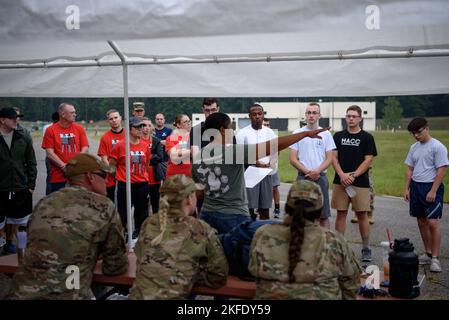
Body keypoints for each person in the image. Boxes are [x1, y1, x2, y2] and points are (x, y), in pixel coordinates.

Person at [7, 153, 128, 299]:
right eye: (103, 175)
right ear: (90, 177)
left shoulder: (45, 203)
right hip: (66, 294)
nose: (107, 181)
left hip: (21, 292)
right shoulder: (103, 206)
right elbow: (115, 266)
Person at [191, 112, 328, 234]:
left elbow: (199, 192)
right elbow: (273, 146)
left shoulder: (198, 157)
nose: (232, 132)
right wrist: (304, 134)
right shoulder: (232, 152)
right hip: (233, 215)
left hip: (207, 214)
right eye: (230, 128)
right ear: (222, 130)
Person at [248, 180, 361, 300]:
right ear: (319, 212)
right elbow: (350, 285)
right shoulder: (334, 240)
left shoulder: (264, 233)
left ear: (286, 207)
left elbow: (253, 271)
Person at [129, 174, 228, 300]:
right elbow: (218, 276)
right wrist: (189, 273)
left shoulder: (149, 223)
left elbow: (141, 259)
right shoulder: (200, 228)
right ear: (189, 199)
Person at [331, 105, 377, 262]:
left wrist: (354, 175)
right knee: (341, 214)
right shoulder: (338, 136)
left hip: (360, 182)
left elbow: (369, 159)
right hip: (340, 182)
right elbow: (334, 158)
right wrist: (342, 175)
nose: (350, 119)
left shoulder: (367, 137)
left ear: (360, 118)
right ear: (345, 118)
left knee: (362, 214)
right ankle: (339, 247)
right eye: (348, 116)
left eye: (354, 116)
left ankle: (366, 248)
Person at [404, 117, 449, 273]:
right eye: (413, 133)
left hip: (431, 186)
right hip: (416, 187)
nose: (416, 135)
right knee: (421, 221)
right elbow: (410, 168)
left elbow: (442, 170)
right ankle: (428, 253)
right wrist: (407, 188)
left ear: (427, 128)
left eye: (419, 132)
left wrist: (433, 190)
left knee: (432, 223)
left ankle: (435, 259)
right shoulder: (413, 147)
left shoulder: (438, 147)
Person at [289, 102, 336, 229]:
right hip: (303, 178)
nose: (311, 115)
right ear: (305, 115)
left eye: (314, 113)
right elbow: (293, 158)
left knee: (323, 215)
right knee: (301, 215)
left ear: (319, 115)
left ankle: (325, 246)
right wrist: (307, 172)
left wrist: (317, 171)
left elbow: (330, 158)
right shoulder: (297, 133)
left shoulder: (326, 134)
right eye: (308, 112)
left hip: (320, 177)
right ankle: (303, 245)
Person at [0, 107, 37, 255]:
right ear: (2, 120)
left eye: (17, 117)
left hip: (21, 188)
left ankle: (22, 251)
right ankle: (3, 246)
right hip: (1, 189)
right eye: (12, 118)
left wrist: (31, 186)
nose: (16, 120)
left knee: (22, 223)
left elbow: (31, 162)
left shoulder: (23, 135)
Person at [109, 117, 151, 239]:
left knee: (142, 213)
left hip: (142, 184)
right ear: (129, 129)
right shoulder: (120, 146)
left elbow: (146, 165)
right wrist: (120, 177)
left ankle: (139, 235)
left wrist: (140, 175)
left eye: (141, 127)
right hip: (125, 184)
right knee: (123, 213)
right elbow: (112, 166)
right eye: (137, 127)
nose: (140, 129)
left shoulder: (145, 146)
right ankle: (124, 234)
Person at [236, 104, 277, 220]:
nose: (257, 117)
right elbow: (239, 154)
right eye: (254, 114)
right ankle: (248, 234)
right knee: (249, 208)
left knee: (265, 208)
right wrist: (254, 162)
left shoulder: (270, 133)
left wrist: (270, 163)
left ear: (263, 115)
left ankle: (264, 234)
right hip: (249, 174)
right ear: (249, 116)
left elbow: (275, 151)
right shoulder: (242, 133)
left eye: (260, 114)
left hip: (265, 174)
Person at [42, 102, 89, 194]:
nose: (75, 115)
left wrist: (76, 163)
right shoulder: (50, 130)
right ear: (63, 114)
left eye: (75, 112)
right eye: (72, 113)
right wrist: (64, 167)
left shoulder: (79, 129)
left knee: (76, 203)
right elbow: (49, 153)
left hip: (77, 174)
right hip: (57, 176)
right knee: (58, 205)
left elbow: (85, 147)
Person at [97, 109, 125, 202]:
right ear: (108, 121)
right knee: (112, 204)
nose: (114, 120)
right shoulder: (105, 137)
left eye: (116, 117)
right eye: (111, 119)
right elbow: (104, 158)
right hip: (111, 179)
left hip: (126, 177)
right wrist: (113, 172)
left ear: (120, 118)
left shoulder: (128, 135)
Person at [141, 117, 164, 214]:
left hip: (154, 178)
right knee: (142, 205)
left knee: (155, 205)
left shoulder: (156, 141)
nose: (146, 128)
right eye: (144, 125)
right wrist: (151, 156)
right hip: (141, 178)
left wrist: (146, 156)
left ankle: (155, 226)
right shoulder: (137, 141)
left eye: (149, 125)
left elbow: (160, 157)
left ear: (152, 128)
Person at [263, 118, 281, 219]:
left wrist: (271, 163)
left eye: (268, 124)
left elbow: (277, 152)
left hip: (272, 167)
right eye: (264, 124)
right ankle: (261, 206)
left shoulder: (273, 136)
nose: (266, 126)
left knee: (274, 187)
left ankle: (277, 208)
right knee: (261, 188)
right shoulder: (259, 137)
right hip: (261, 167)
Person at [165, 114, 192, 179]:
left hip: (189, 175)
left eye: (189, 121)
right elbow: (173, 156)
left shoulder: (193, 138)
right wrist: (191, 152)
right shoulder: (170, 138)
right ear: (178, 125)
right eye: (185, 122)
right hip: (174, 175)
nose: (188, 124)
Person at [43, 112, 60, 195]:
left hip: (50, 156)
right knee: (51, 179)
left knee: (50, 178)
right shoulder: (49, 128)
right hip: (52, 156)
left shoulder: (47, 127)